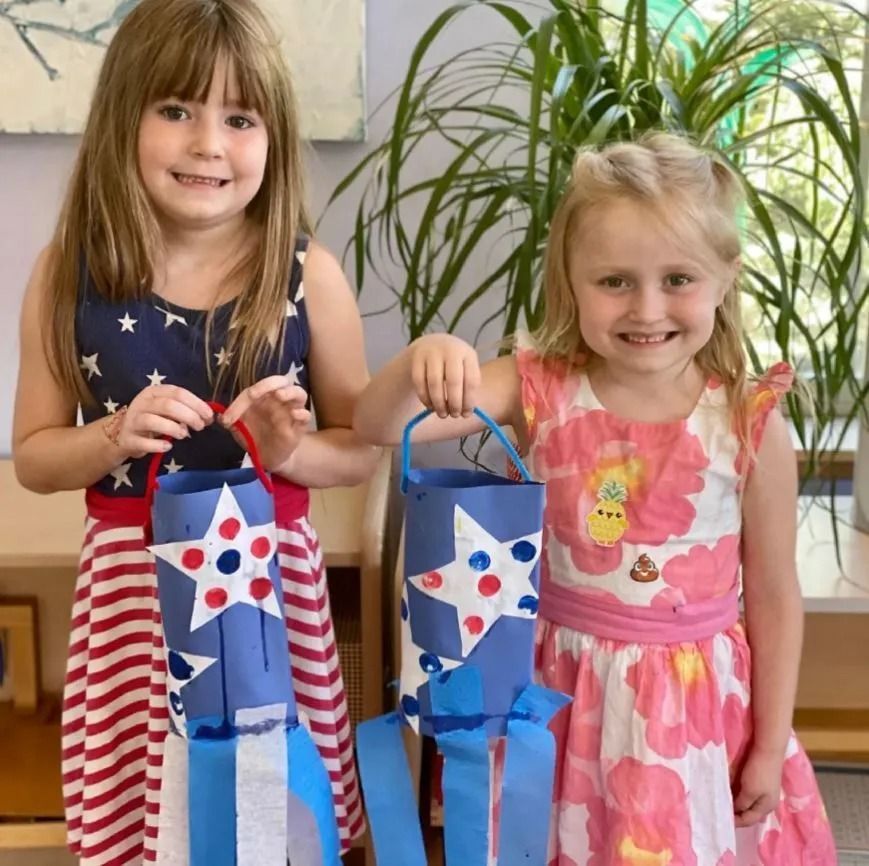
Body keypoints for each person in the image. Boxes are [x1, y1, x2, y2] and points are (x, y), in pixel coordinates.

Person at [353, 133, 835, 863]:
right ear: (570, 281)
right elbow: (378, 426)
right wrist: (422, 359)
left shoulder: (746, 419)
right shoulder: (536, 385)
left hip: (689, 712)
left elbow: (772, 593)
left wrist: (768, 745)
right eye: (613, 281)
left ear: (724, 276)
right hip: (556, 696)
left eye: (678, 279)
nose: (646, 308)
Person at [12, 0, 378, 861]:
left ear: (272, 136)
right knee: (153, 822)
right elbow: (32, 457)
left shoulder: (306, 275)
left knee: (272, 823)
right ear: (122, 118)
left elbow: (362, 447)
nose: (208, 142)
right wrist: (110, 437)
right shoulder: (68, 273)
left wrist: (290, 451)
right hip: (133, 601)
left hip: (268, 601)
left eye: (238, 117)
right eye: (176, 109)